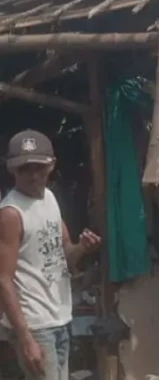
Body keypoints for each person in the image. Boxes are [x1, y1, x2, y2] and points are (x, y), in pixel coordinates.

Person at [0, 129, 102, 380]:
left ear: (51, 165)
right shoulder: (11, 214)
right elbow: (3, 279)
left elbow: (64, 253)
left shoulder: (50, 199)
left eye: (38, 167)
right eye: (24, 168)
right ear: (12, 170)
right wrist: (25, 338)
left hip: (59, 317)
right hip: (35, 325)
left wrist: (82, 248)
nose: (33, 175)